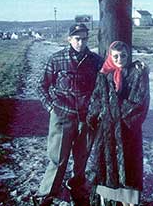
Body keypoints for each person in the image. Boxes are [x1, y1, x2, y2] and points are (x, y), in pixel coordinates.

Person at [35, 23, 103, 206]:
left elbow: (103, 89)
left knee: (81, 159)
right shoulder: (57, 59)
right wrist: (50, 107)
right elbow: (41, 86)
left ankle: (76, 189)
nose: (81, 42)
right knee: (58, 158)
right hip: (62, 117)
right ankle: (47, 193)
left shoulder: (96, 61)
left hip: (87, 119)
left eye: (84, 39)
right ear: (69, 39)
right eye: (77, 39)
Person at [86, 41, 150, 206]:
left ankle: (129, 202)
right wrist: (93, 117)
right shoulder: (104, 75)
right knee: (106, 167)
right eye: (115, 56)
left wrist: (118, 117)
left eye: (123, 55)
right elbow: (96, 99)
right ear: (110, 56)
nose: (119, 59)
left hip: (128, 132)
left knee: (129, 169)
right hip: (106, 131)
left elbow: (139, 103)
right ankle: (108, 202)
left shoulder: (137, 74)